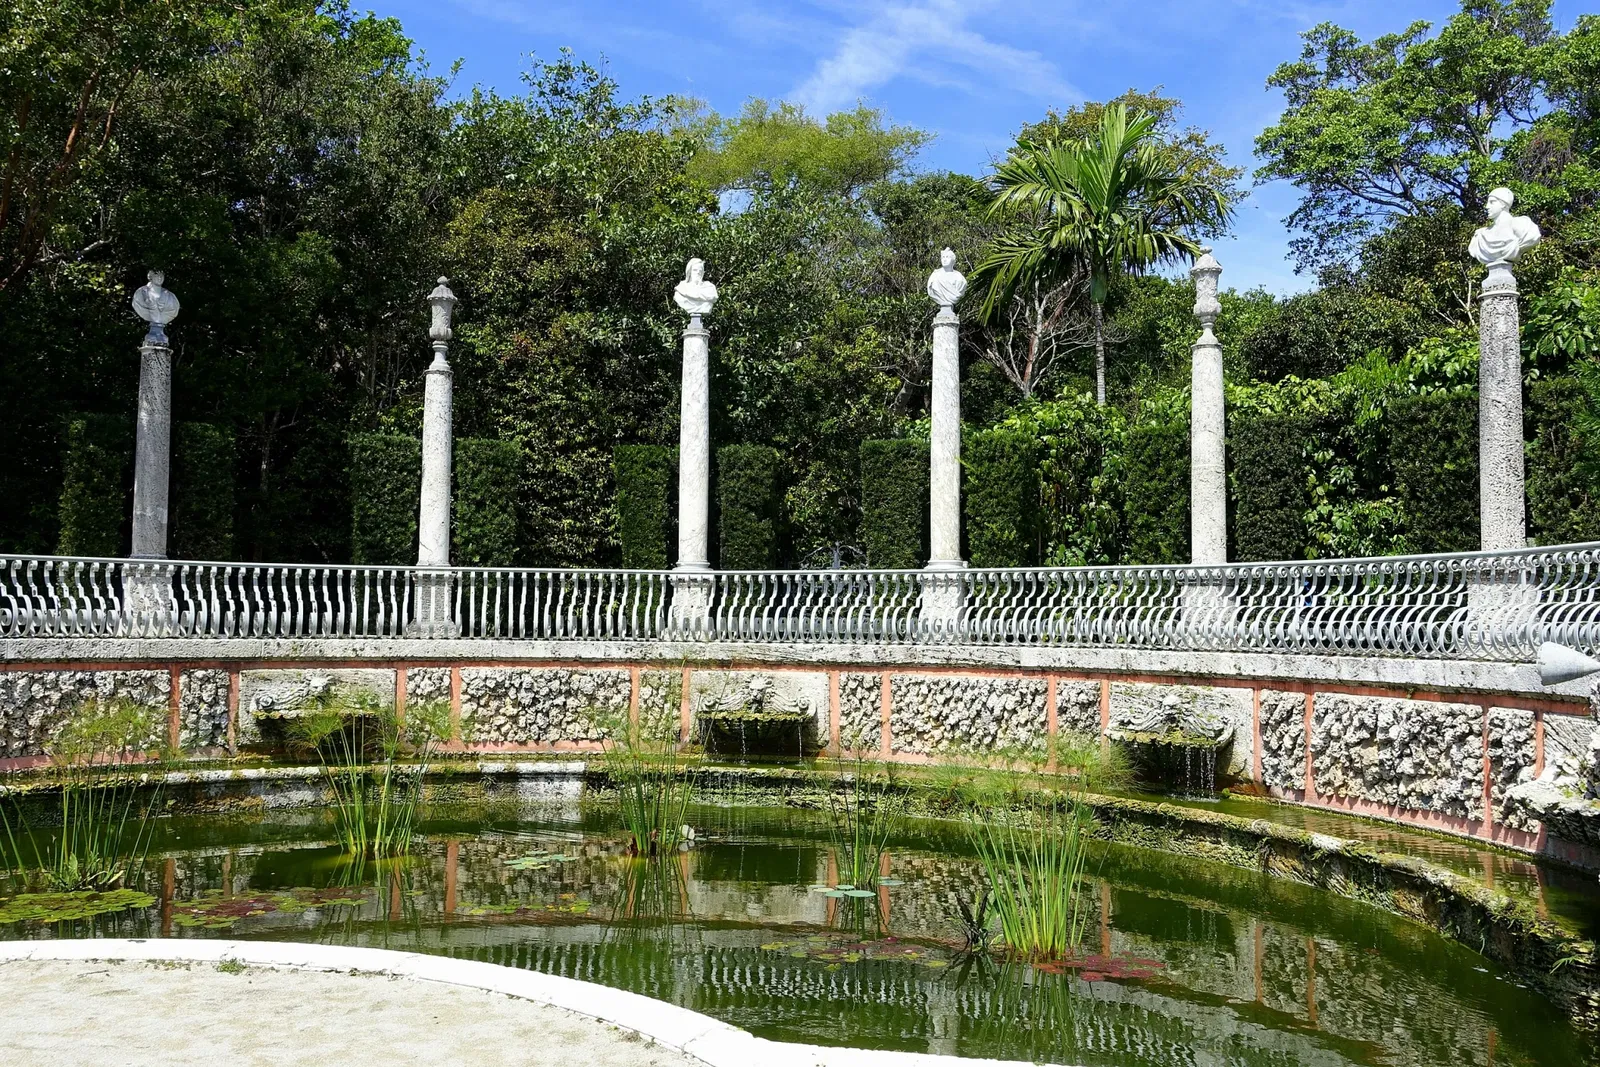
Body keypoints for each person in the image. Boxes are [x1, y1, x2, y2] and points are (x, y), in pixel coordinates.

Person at [1469, 187, 1540, 269]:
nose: (1487, 206)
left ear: (1503, 204)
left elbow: (1532, 238)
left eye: (1492, 202)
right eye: (1487, 202)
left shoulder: (1521, 224)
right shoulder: (1481, 234)